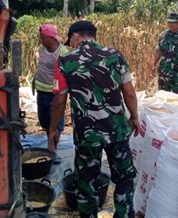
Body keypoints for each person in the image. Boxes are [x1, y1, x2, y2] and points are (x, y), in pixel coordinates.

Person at [48, 21, 138, 217]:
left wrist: (53, 129)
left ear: (76, 36)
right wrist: (135, 117)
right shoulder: (115, 56)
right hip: (117, 131)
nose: (69, 44)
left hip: (87, 134)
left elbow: (59, 100)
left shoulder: (65, 61)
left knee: (86, 181)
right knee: (124, 176)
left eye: (69, 40)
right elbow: (129, 92)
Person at [34, 24, 69, 164]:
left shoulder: (63, 53)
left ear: (51, 37)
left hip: (55, 94)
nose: (41, 40)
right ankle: (50, 143)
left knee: (55, 122)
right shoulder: (42, 50)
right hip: (41, 91)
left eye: (43, 38)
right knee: (44, 120)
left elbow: (66, 74)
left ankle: (52, 149)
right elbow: (41, 67)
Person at [151, 12, 178, 96]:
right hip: (164, 71)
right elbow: (158, 50)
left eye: (173, 22)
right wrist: (154, 64)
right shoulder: (163, 35)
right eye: (169, 22)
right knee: (162, 96)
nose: (170, 24)